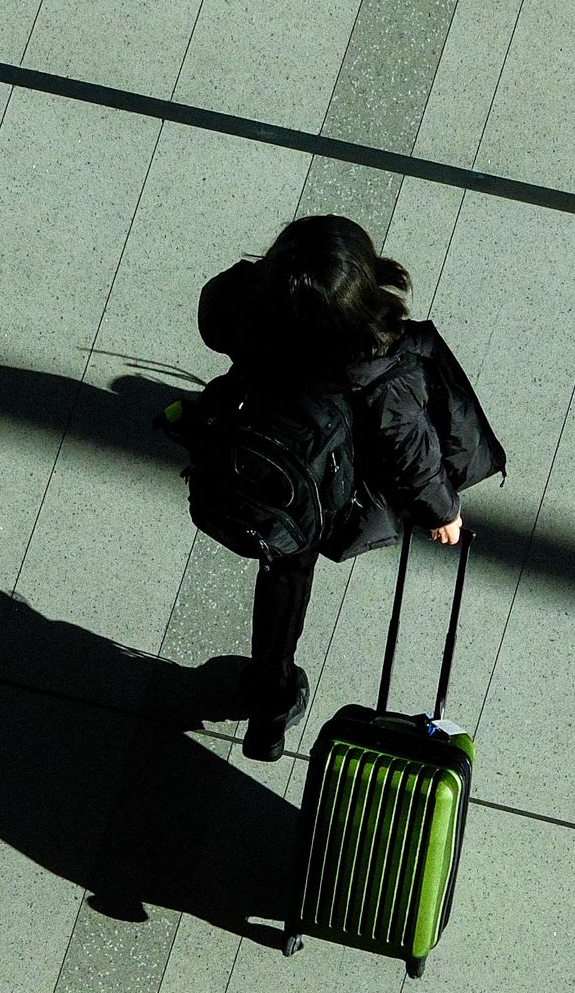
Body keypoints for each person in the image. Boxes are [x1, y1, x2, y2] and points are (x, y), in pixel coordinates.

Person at [196, 215, 505, 761]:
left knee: (282, 569)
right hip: (321, 489)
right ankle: (268, 708)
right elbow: (409, 451)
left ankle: (271, 702)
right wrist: (443, 512)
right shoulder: (383, 362)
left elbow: (213, 318)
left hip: (258, 463)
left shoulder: (252, 306)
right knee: (293, 562)